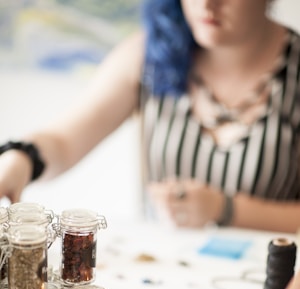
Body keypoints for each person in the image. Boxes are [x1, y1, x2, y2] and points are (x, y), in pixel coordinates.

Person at [0, 0, 299, 233]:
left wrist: (226, 209)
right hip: (164, 279)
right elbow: (64, 141)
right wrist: (20, 158)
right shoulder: (148, 54)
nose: (206, 4)